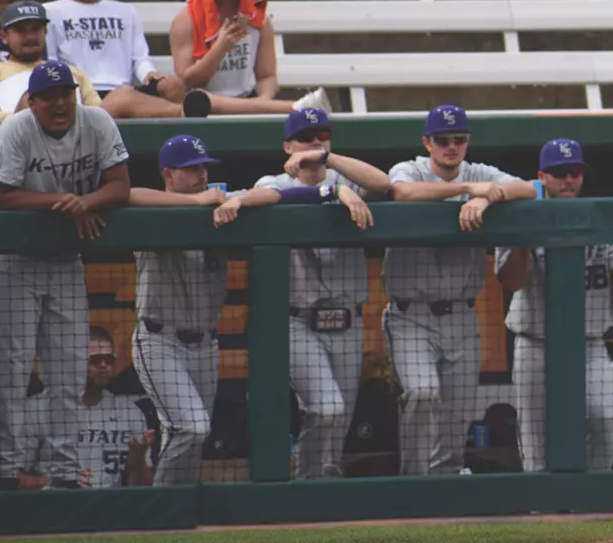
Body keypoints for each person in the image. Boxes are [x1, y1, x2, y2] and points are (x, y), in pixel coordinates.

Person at [214, 106, 390, 479]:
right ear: (287, 145)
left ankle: (324, 483)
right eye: (307, 137)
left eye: (322, 135)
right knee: (326, 407)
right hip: (298, 321)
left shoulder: (349, 177)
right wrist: (333, 191)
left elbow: (383, 185)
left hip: (347, 320)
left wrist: (329, 161)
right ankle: (308, 484)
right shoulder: (274, 182)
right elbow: (262, 198)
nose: (315, 141)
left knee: (339, 420)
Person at [0, 59, 130, 490]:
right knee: (11, 374)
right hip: (15, 262)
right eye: (49, 97)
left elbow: (120, 186)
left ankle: (66, 475)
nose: (60, 103)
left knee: (69, 372)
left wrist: (87, 202)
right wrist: (63, 202)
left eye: (66, 93)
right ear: (32, 102)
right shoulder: (15, 129)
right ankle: (5, 473)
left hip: (65, 259)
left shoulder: (97, 121)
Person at [385, 105, 537, 475]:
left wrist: (488, 197)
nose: (451, 147)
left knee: (458, 410)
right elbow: (401, 192)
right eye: (443, 140)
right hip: (411, 314)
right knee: (422, 394)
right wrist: (468, 190)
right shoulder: (412, 169)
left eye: (459, 139)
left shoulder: (481, 173)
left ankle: (446, 483)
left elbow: (531, 188)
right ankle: (414, 483)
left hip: (461, 313)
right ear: (427, 142)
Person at [499, 139, 613, 472]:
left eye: (574, 172)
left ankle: (593, 499)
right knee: (535, 435)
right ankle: (540, 508)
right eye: (559, 173)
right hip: (534, 342)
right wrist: (525, 236)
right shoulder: (519, 214)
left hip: (590, 343)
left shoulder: (598, 218)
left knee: (604, 420)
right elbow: (511, 281)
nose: (568, 179)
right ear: (542, 177)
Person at [126, 135, 232, 486]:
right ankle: (163, 507)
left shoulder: (221, 209)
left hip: (205, 343)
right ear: (168, 174)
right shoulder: (151, 211)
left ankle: (182, 513)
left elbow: (271, 196)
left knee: (195, 436)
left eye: (202, 168)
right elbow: (126, 195)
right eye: (191, 170)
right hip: (160, 339)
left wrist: (231, 202)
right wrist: (200, 200)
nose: (201, 176)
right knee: (190, 426)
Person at [45, 0, 207, 119]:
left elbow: (140, 58)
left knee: (174, 86)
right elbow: (51, 60)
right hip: (80, 95)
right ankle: (186, 112)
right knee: (123, 97)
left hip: (122, 88)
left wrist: (150, 74)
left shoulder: (125, 11)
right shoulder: (51, 12)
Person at [168, 0, 331, 114]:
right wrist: (220, 48)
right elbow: (187, 81)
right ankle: (298, 108)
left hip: (248, 100)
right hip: (204, 106)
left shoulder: (258, 20)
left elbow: (266, 76)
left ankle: (294, 108)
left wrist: (263, 101)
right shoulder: (187, 20)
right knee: (200, 97)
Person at [0, 1, 104, 122]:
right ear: (4, 36)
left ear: (45, 32)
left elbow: (99, 113)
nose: (30, 36)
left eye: (35, 29)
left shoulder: (73, 72)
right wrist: (21, 117)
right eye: (21, 30)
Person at [74, 327, 155, 489]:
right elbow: (14, 478)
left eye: (108, 359)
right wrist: (59, 480)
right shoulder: (44, 408)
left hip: (111, 505)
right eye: (96, 360)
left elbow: (143, 488)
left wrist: (137, 459)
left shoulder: (130, 412)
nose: (103, 365)